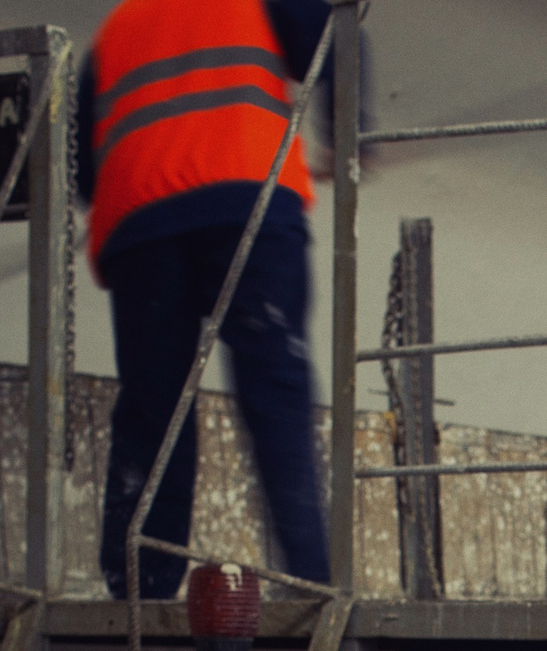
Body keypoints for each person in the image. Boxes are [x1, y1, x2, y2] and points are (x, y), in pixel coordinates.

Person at [77, 0, 350, 596]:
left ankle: (139, 580)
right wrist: (344, 137)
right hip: (245, 199)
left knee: (155, 408)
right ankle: (308, 578)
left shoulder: (115, 28)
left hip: (142, 224)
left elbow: (78, 166)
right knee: (274, 389)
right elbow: (339, 38)